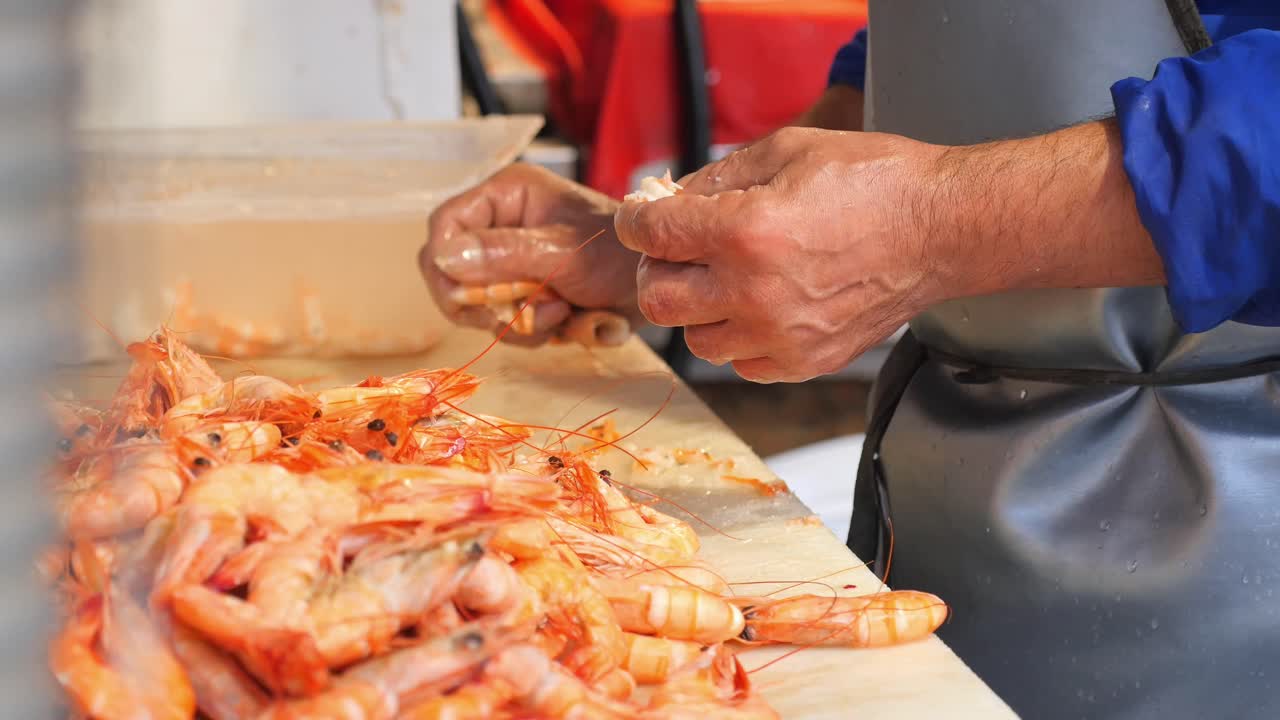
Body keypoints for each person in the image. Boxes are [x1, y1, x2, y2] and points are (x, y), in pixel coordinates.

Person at [422, 2, 1280, 717]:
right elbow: (936, 52)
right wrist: (672, 238)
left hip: (1236, 519)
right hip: (952, 476)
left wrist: (930, 224)